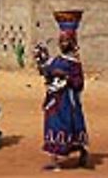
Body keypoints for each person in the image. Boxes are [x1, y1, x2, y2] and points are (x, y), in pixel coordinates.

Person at [35, 10, 90, 171]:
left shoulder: (74, 63)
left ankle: (79, 152)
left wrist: (65, 77)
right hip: (54, 102)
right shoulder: (57, 60)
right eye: (61, 40)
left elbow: (79, 84)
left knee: (68, 127)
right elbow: (46, 71)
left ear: (72, 43)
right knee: (53, 126)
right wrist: (41, 60)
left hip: (68, 102)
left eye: (66, 41)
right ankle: (55, 161)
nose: (62, 43)